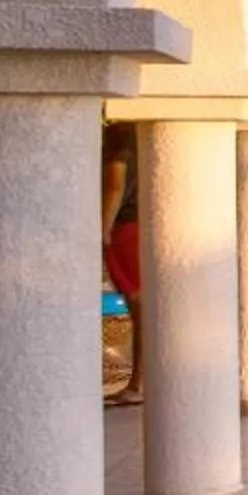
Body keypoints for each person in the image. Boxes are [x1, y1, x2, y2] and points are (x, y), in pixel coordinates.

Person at [102, 122, 141, 405]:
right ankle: (139, 382)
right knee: (142, 308)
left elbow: (115, 184)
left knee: (140, 307)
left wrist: (103, 227)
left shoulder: (119, 135)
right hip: (137, 224)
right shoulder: (140, 134)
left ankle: (138, 384)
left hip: (125, 228)